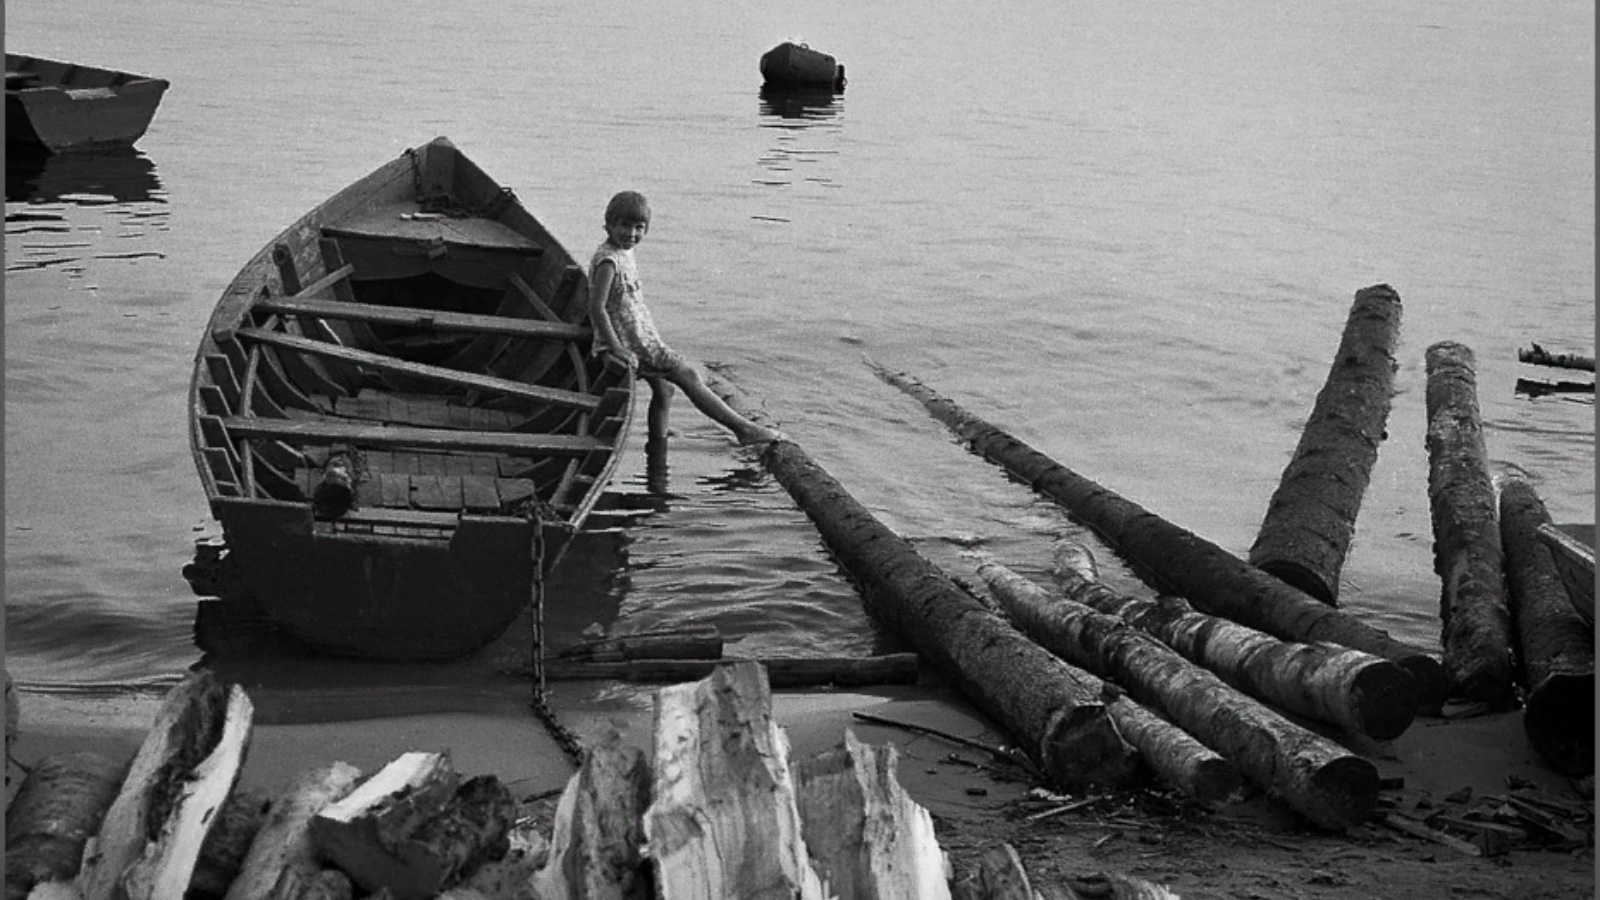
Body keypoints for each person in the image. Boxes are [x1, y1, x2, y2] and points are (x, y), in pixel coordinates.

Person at [587, 190, 784, 446]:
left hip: (639, 340)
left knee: (664, 389)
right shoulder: (608, 261)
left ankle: (658, 441)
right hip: (628, 345)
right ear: (608, 225)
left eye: (639, 227)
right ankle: (743, 429)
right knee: (688, 374)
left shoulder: (624, 253)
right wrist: (616, 349)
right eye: (624, 226)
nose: (631, 234)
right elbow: (597, 307)